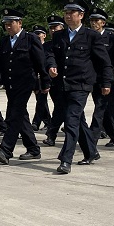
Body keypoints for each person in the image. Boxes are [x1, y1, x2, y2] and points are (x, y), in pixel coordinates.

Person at [47, 0, 112, 174]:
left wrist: (106, 82)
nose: (68, 16)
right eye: (66, 12)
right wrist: (51, 65)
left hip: (81, 85)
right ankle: (91, 152)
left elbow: (105, 62)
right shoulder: (59, 35)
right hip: (63, 85)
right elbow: (51, 53)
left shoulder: (91, 36)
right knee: (79, 121)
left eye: (71, 12)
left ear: (81, 15)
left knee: (71, 121)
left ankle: (65, 160)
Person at [0, 10, 49, 165]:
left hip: (25, 83)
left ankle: (6, 150)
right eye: (6, 24)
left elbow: (40, 62)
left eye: (11, 23)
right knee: (21, 115)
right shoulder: (4, 41)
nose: (8, 26)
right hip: (10, 84)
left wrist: (45, 82)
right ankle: (33, 149)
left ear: (20, 23)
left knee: (15, 115)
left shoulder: (30, 39)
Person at [87, 8, 114, 147]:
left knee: (100, 109)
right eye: (91, 20)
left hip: (109, 79)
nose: (93, 23)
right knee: (104, 109)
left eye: (96, 20)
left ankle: (92, 139)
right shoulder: (88, 36)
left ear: (103, 23)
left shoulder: (112, 38)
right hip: (94, 78)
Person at [43, 15, 66, 147]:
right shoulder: (47, 45)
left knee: (62, 109)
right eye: (50, 28)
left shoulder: (68, 42)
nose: (52, 30)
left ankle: (52, 135)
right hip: (54, 82)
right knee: (60, 108)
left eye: (55, 27)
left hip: (69, 82)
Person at [31, 24, 51, 131]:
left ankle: (36, 122)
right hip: (37, 78)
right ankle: (47, 121)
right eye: (35, 34)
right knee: (41, 100)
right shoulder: (32, 47)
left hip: (48, 77)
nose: (37, 36)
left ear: (44, 35)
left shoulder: (47, 46)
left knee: (41, 100)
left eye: (39, 34)